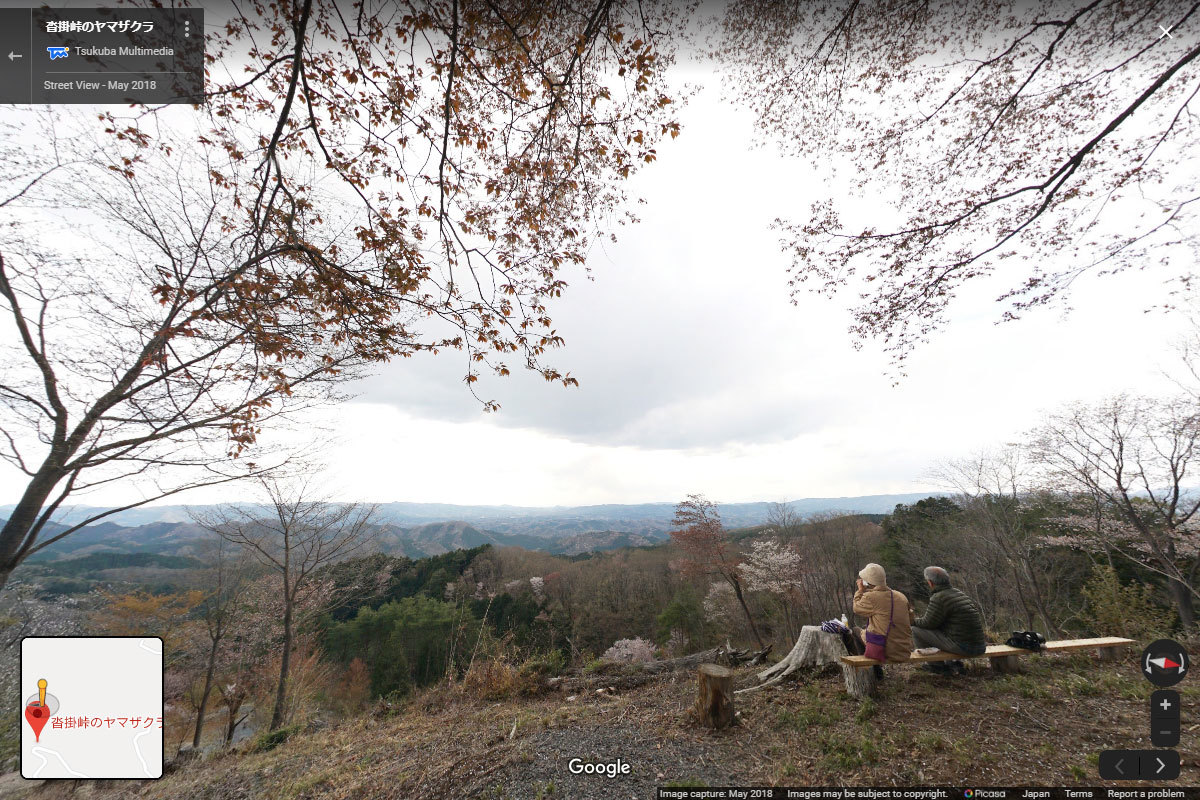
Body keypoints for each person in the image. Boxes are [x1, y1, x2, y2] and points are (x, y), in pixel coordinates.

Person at [911, 566, 987, 676]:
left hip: (965, 647)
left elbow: (928, 624)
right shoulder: (959, 593)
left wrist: (912, 620)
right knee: (946, 629)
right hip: (979, 645)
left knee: (916, 630)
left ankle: (936, 666)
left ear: (930, 583)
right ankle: (953, 663)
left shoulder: (939, 597)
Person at [851, 562, 914, 679]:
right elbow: (911, 619)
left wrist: (860, 590)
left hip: (886, 650)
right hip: (904, 649)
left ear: (868, 582)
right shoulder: (901, 596)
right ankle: (874, 670)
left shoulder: (871, 597)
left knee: (855, 631)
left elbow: (856, 608)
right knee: (868, 630)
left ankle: (873, 671)